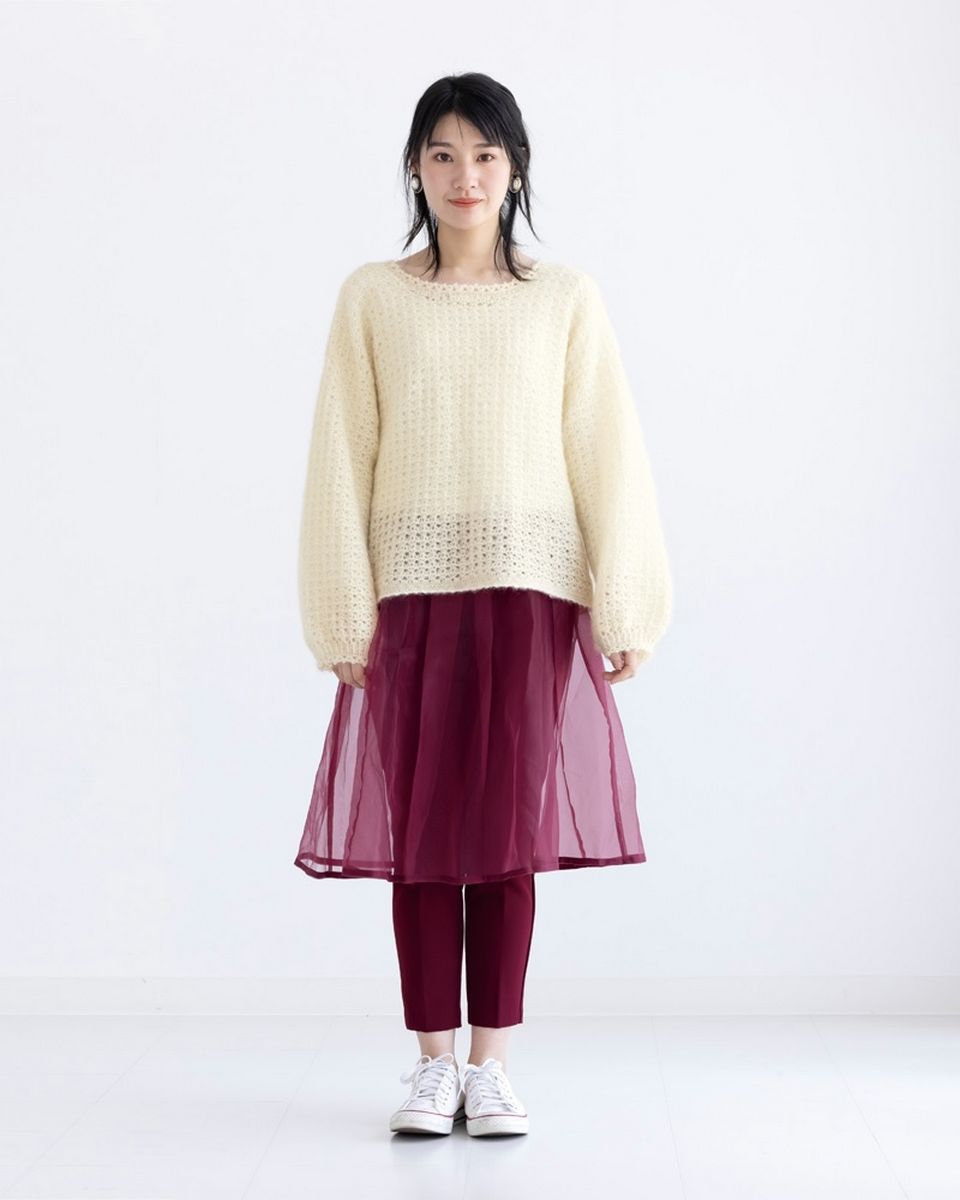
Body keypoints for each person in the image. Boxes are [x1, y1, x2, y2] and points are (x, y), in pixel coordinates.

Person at [294, 71, 673, 1138]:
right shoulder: (372, 297)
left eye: (486, 155)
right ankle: (430, 1066)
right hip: (409, 597)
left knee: (505, 836)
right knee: (421, 838)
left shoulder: (565, 298)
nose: (466, 175)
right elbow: (340, 454)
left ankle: (492, 1066)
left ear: (516, 169)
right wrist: (342, 608)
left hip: (528, 595)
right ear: (415, 168)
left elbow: (607, 451)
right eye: (444, 154)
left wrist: (625, 601)